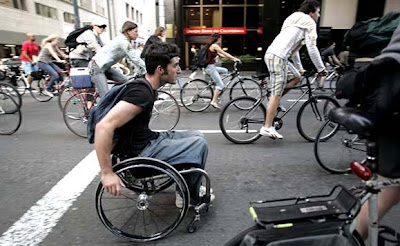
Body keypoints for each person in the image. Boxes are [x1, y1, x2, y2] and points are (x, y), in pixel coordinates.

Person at [94, 43, 212, 207]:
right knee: (199, 144)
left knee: (197, 135)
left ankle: (186, 187)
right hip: (140, 153)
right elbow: (103, 126)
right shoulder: (142, 93)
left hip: (145, 141)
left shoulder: (147, 85)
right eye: (175, 66)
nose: (179, 71)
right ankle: (189, 196)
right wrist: (107, 173)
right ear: (160, 69)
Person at [355, 22, 400, 240]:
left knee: (386, 186)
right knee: (389, 186)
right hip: (394, 94)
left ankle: (352, 235)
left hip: (385, 87)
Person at [260, 0, 327, 139]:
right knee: (276, 94)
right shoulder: (309, 22)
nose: (319, 15)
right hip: (279, 57)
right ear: (311, 12)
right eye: (318, 12)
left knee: (297, 77)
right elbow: (312, 48)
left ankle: (273, 99)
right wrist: (321, 69)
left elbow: (294, 50)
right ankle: (267, 127)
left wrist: (300, 68)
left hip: (275, 55)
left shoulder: (292, 18)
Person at [89, 21, 146, 97]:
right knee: (105, 96)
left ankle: (114, 98)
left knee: (126, 82)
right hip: (97, 67)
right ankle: (104, 105)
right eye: (135, 31)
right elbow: (135, 58)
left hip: (105, 67)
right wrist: (147, 69)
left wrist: (140, 71)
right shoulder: (123, 41)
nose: (137, 34)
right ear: (128, 31)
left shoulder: (127, 42)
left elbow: (132, 60)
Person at [204, 33, 241, 109]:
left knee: (225, 70)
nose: (220, 40)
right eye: (220, 38)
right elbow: (224, 53)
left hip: (211, 67)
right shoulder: (214, 45)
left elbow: (221, 55)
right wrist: (234, 59)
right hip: (210, 68)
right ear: (217, 38)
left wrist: (229, 58)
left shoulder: (212, 46)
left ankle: (216, 84)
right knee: (220, 85)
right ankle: (214, 101)